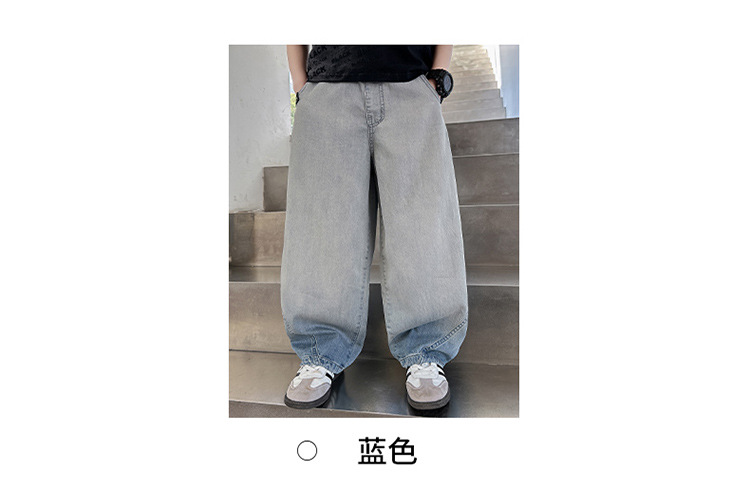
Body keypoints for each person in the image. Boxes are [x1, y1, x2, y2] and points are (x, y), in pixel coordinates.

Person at [280, 45, 468, 411]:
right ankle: (320, 350)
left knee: (422, 223)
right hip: (327, 90)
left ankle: (426, 350)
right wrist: (301, 86)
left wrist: (437, 77)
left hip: (411, 86)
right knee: (322, 228)